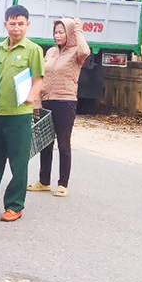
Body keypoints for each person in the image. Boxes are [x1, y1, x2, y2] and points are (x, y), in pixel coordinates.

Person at [0, 5, 44, 222]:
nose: (16, 28)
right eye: (12, 23)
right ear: (5, 24)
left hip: (19, 115)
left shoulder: (33, 50)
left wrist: (31, 97)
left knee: (18, 163)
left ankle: (14, 205)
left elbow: (38, 79)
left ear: (27, 25)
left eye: (21, 24)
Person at [28, 17, 89, 198]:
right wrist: (37, 102)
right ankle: (44, 181)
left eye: (61, 32)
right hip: (47, 100)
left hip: (65, 101)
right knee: (45, 143)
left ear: (69, 33)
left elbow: (85, 50)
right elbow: (41, 76)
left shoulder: (76, 52)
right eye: (55, 32)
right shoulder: (51, 53)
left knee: (63, 143)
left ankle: (63, 184)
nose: (57, 35)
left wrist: (77, 29)